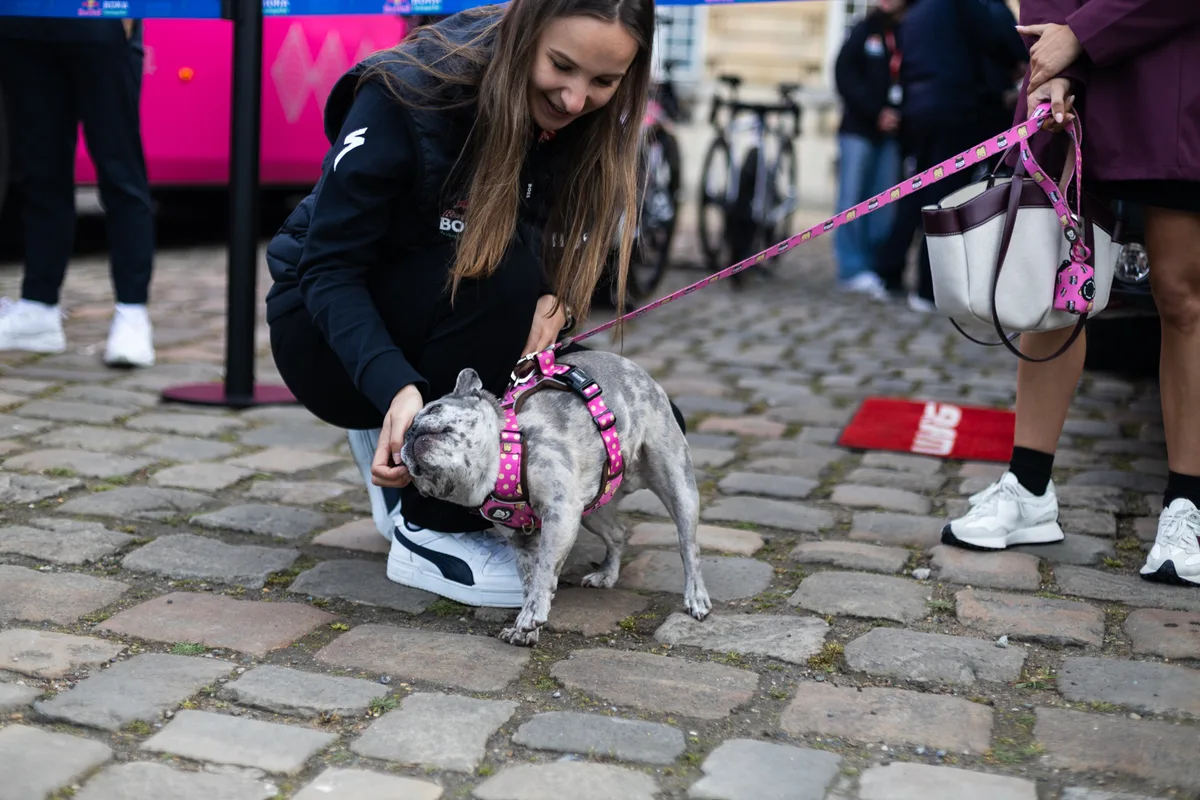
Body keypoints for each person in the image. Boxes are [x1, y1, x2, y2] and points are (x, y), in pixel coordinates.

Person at [265, 0, 666, 607]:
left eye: (604, 82)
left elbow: (552, 250)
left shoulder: (578, 121)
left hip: (460, 319)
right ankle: (431, 526)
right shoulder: (408, 93)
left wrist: (557, 303)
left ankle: (421, 440)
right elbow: (328, 270)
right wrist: (395, 385)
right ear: (526, 31)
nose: (576, 99)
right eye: (561, 65)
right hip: (325, 335)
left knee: (637, 424)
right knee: (497, 271)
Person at [943, 0, 1200, 588]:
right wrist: (1054, 61)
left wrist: (1079, 37)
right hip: (1077, 79)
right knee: (1050, 281)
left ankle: (1189, 504)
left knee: (1182, 295)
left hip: (1175, 70)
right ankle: (1029, 486)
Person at [0, 17, 156, 367]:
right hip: (22, 21)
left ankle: (132, 312)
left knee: (119, 171)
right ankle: (38, 307)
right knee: (40, 174)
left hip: (98, 16)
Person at [872, 0, 1026, 312]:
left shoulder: (914, 12)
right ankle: (929, 288)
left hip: (919, 111)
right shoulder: (964, 6)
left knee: (918, 192)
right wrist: (1016, 62)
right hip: (955, 110)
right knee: (944, 198)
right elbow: (997, 38)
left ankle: (889, 272)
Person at [831, 0, 906, 302]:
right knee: (851, 200)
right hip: (859, 130)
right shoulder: (864, 29)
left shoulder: (909, 31)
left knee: (884, 205)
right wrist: (876, 112)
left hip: (892, 133)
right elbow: (844, 75)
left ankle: (874, 266)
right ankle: (851, 268)